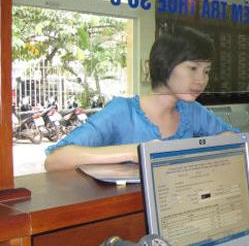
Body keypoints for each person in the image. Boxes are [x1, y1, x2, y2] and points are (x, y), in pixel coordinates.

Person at [45, 26, 237, 172]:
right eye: (193, 68)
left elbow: (234, 139)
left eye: (206, 71)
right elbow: (55, 160)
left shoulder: (190, 110)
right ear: (165, 64)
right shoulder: (123, 111)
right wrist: (134, 151)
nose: (201, 80)